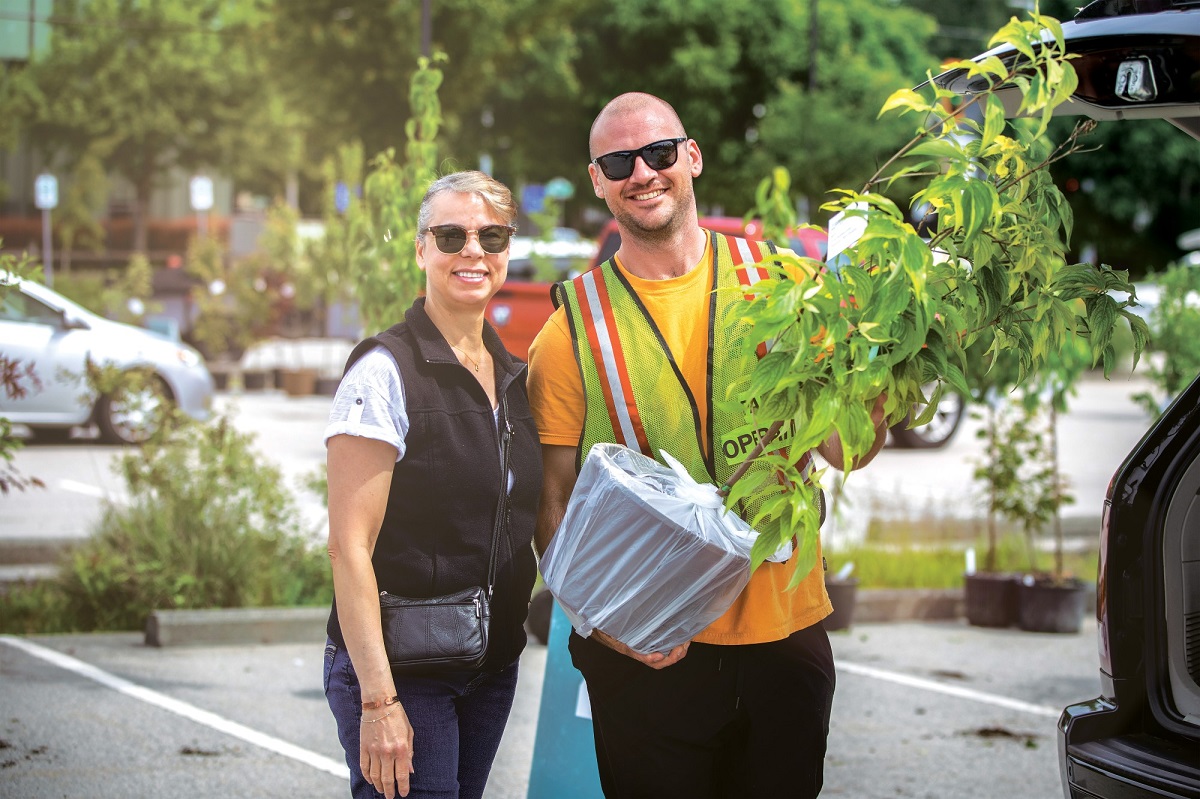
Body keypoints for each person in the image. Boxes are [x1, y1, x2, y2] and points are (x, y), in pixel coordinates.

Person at [527, 92, 888, 799]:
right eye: (618, 161)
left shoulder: (787, 286)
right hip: (648, 652)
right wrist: (602, 629)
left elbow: (848, 451)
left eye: (660, 153)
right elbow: (552, 506)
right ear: (597, 180)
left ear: (691, 157)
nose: (643, 172)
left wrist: (883, 371)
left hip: (785, 635)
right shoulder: (571, 329)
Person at [323, 170, 542, 799]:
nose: (472, 251)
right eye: (451, 235)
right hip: (403, 672)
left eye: (491, 236)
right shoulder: (383, 372)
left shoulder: (512, 377)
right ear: (421, 249)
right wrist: (379, 701)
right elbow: (349, 548)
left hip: (490, 666)